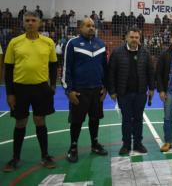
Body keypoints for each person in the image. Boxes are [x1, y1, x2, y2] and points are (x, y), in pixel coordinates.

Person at [3, 11, 57, 172]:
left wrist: (53, 86)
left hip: (41, 88)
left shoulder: (48, 42)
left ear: (39, 23)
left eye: (33, 20)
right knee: (20, 122)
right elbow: (8, 70)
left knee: (40, 121)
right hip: (20, 89)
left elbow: (54, 65)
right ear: (23, 23)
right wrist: (10, 93)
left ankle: (45, 156)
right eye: (27, 20)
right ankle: (15, 158)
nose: (30, 23)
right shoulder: (14, 42)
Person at [62, 18, 108, 163]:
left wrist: (105, 87)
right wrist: (68, 90)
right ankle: (73, 147)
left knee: (94, 118)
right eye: (88, 26)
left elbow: (104, 68)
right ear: (80, 28)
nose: (91, 28)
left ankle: (94, 144)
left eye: (93, 26)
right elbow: (66, 69)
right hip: (79, 91)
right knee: (77, 121)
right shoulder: (73, 43)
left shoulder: (101, 44)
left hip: (97, 90)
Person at [108, 28, 155, 155]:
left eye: (136, 38)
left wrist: (151, 88)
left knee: (138, 119)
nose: (134, 40)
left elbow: (150, 72)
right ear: (126, 38)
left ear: (139, 39)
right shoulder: (117, 53)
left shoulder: (145, 52)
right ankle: (126, 144)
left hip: (140, 93)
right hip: (124, 94)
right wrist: (112, 91)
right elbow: (111, 73)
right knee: (126, 119)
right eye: (132, 37)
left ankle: (138, 144)